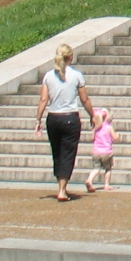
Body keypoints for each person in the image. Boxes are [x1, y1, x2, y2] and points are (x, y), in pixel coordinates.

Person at [34, 44, 95, 202]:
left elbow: (43, 99)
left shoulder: (48, 76)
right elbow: (84, 99)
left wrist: (38, 119)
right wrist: (92, 115)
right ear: (70, 58)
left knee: (57, 153)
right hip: (70, 118)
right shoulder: (76, 76)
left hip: (53, 118)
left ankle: (60, 187)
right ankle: (62, 189)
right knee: (68, 153)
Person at [82, 108, 116, 193]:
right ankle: (106, 185)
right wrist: (118, 135)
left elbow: (92, 139)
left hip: (96, 152)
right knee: (108, 168)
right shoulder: (109, 127)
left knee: (96, 168)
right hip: (106, 152)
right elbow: (115, 137)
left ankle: (89, 180)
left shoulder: (96, 128)